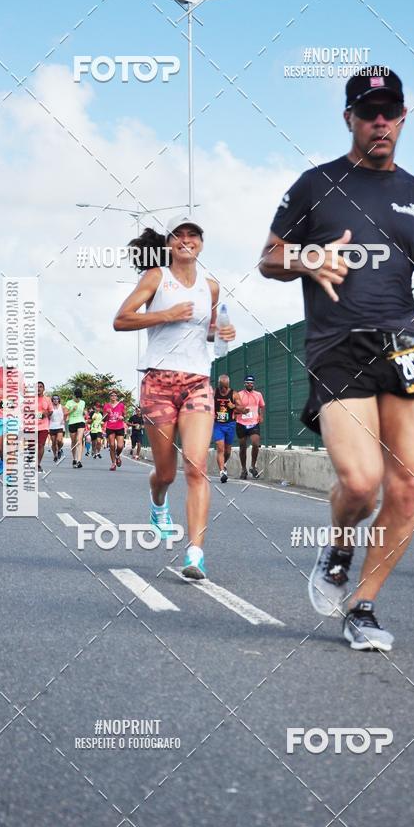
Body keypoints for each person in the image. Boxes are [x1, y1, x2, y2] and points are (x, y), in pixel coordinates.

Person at [259, 67, 414, 651]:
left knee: (407, 488)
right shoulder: (314, 184)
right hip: (337, 344)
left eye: (390, 111)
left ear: (402, 118)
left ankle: (364, 605)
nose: (381, 121)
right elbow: (269, 258)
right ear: (348, 118)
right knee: (361, 482)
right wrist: (307, 260)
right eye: (368, 111)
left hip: (405, 344)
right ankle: (339, 547)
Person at [114, 214, 235, 579]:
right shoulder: (156, 278)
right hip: (158, 382)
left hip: (198, 382)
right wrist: (165, 314)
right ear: (168, 243)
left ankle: (195, 552)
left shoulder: (211, 287)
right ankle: (157, 502)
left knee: (196, 466)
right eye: (178, 235)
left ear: (201, 242)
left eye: (193, 234)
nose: (186, 240)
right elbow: (121, 319)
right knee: (165, 473)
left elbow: (212, 334)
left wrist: (222, 331)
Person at [235, 375, 265, 480]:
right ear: (244, 384)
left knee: (255, 444)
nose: (250, 385)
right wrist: (241, 411)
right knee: (243, 447)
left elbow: (262, 406)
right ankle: (243, 469)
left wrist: (261, 416)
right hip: (241, 423)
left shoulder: (258, 395)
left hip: (253, 423)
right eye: (248, 383)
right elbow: (234, 408)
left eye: (251, 383)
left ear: (254, 384)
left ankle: (253, 466)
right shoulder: (239, 395)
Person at [103, 390, 126, 471]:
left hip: (119, 427)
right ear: (109, 397)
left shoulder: (121, 405)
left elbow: (124, 416)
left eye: (115, 395)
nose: (113, 397)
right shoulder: (106, 406)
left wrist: (122, 417)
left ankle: (117, 455)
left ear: (117, 397)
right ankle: (113, 463)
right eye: (111, 395)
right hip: (110, 427)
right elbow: (104, 419)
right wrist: (107, 413)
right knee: (112, 445)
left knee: (120, 446)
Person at [64, 388, 86, 468]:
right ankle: (74, 459)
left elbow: (82, 411)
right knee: (73, 441)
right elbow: (65, 413)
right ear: (74, 396)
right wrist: (72, 410)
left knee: (79, 440)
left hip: (81, 422)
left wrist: (84, 413)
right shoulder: (69, 402)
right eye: (76, 397)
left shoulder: (83, 402)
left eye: (79, 397)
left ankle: (79, 460)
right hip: (72, 422)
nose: (78, 399)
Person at [36, 381, 53, 472]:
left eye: (41, 386)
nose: (38, 388)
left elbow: (51, 411)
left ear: (43, 389)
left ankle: (38, 464)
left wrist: (46, 413)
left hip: (44, 426)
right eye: (37, 387)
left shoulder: (47, 399)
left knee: (41, 445)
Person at [49, 395, 65, 462]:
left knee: (59, 441)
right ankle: (55, 455)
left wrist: (64, 420)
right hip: (52, 426)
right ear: (52, 400)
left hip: (60, 426)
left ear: (59, 400)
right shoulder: (50, 408)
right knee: (53, 442)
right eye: (54, 399)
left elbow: (67, 414)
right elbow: (46, 415)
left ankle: (59, 450)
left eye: (57, 399)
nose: (55, 400)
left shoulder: (62, 407)